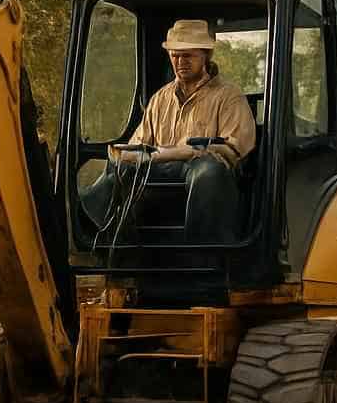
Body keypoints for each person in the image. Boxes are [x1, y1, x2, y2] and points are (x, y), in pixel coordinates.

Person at [81, 19, 257, 242]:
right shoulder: (160, 99)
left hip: (203, 177)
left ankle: (203, 258)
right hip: (161, 172)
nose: (181, 61)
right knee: (120, 170)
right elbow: (140, 144)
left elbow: (232, 151)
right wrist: (124, 154)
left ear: (206, 55)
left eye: (188, 55)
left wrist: (184, 152)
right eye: (176, 55)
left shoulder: (228, 96)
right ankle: (120, 248)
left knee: (209, 171)